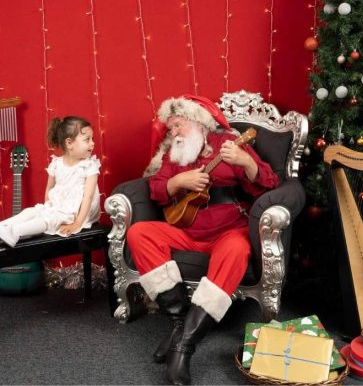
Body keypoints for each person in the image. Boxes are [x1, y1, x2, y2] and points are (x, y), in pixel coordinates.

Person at [127, 94, 280, 385]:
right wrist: (178, 182)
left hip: (226, 231)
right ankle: (179, 320)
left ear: (197, 121)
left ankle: (183, 345)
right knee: (139, 232)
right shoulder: (174, 154)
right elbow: (157, 188)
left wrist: (247, 161)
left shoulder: (229, 145)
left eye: (177, 125)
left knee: (236, 249)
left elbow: (269, 183)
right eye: (170, 128)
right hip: (186, 232)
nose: (173, 133)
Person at [0, 116, 101, 247]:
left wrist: (77, 223)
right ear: (69, 143)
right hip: (58, 206)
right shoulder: (57, 163)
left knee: (48, 219)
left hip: (76, 212)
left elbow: (88, 197)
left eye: (92, 139)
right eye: (87, 140)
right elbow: (49, 189)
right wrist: (47, 208)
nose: (92, 143)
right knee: (33, 211)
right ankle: (4, 225)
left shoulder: (89, 165)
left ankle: (15, 232)